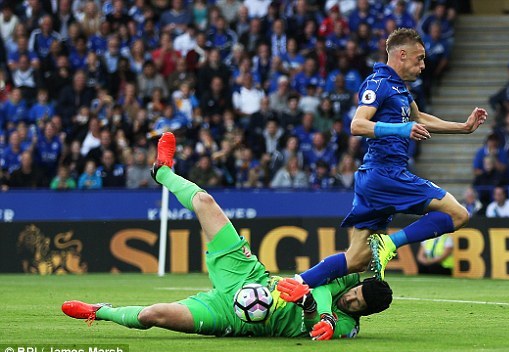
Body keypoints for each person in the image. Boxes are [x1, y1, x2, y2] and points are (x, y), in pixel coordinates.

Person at [61, 132, 393, 340]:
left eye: (356, 305)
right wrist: (312, 299)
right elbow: (321, 284)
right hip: (250, 278)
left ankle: (99, 310)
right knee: (205, 201)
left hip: (235, 318)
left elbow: (312, 328)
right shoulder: (342, 284)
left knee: (152, 316)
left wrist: (316, 315)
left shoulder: (347, 326)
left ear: (363, 314)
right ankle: (162, 171)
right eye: (355, 295)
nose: (350, 301)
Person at [278, 28, 487, 291]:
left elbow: (420, 118)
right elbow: (357, 124)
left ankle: (293, 285)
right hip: (386, 174)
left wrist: (463, 127)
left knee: (355, 260)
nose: (423, 66)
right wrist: (400, 129)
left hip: (377, 179)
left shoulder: (400, 89)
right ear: (401, 54)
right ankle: (391, 243)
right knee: (458, 214)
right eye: (419, 58)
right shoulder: (378, 84)